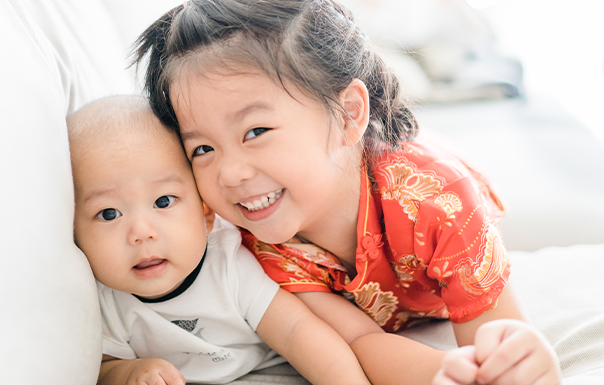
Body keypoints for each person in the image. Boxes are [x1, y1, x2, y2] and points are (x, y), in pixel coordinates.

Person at [132, 1, 562, 384]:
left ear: (348, 114)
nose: (229, 174)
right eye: (202, 149)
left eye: (256, 131)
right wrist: (444, 375)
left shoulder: (439, 201)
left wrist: (508, 366)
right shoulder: (251, 239)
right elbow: (361, 342)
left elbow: (496, 340)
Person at [68, 95, 370, 385]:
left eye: (163, 202)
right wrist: (130, 372)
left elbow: (295, 332)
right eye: (109, 214)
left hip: (267, 368)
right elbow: (99, 369)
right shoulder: (102, 299)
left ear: (206, 212)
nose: (141, 233)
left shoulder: (228, 264)